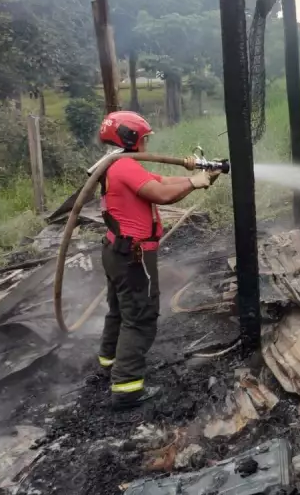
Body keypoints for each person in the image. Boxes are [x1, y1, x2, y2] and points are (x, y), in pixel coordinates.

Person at [96, 111, 221, 409]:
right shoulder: (123, 166)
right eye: (144, 138)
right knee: (140, 317)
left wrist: (196, 175)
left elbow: (162, 178)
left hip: (116, 251)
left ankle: (110, 362)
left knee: (119, 310)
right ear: (130, 138)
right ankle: (126, 389)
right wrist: (193, 183)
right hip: (134, 256)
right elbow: (161, 193)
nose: (147, 143)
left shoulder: (117, 163)